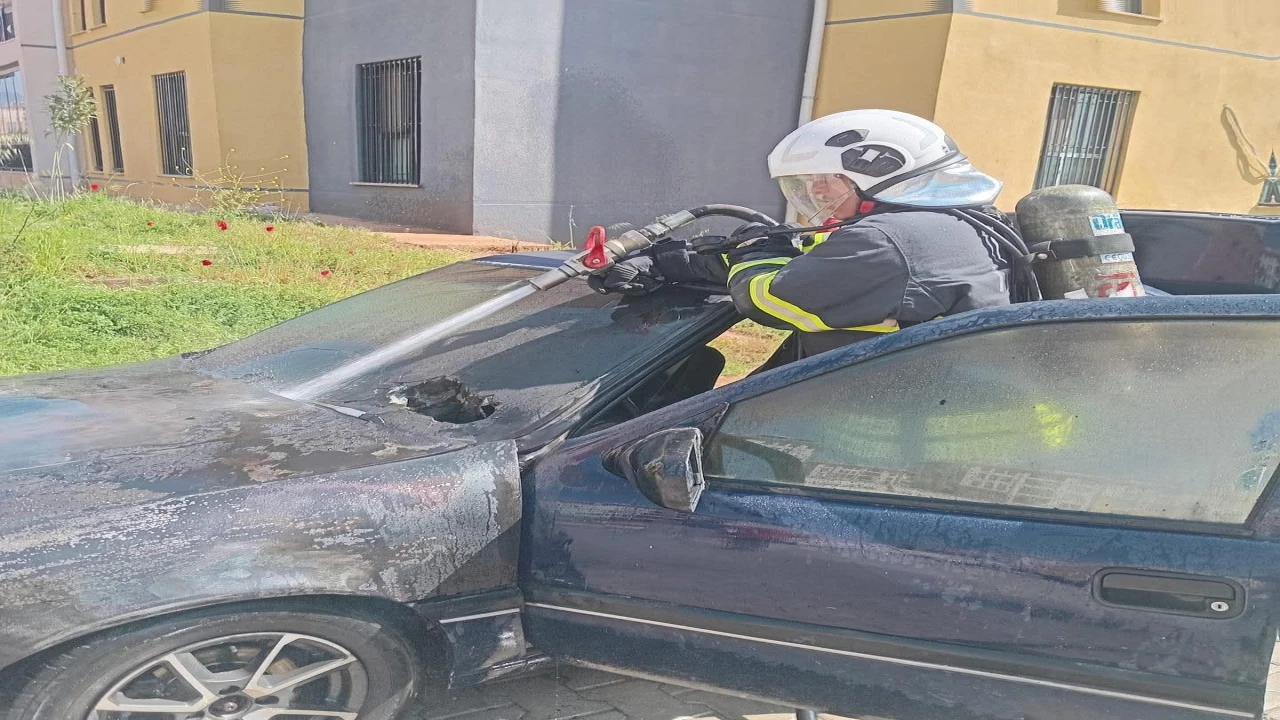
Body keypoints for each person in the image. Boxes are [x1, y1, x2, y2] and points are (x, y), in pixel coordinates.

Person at [590, 109, 1015, 365]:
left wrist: (754, 253)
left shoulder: (888, 242)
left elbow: (771, 296)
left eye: (825, 180)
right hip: (931, 389)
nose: (816, 193)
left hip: (895, 426)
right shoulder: (945, 224)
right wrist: (674, 261)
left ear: (879, 172)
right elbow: (809, 256)